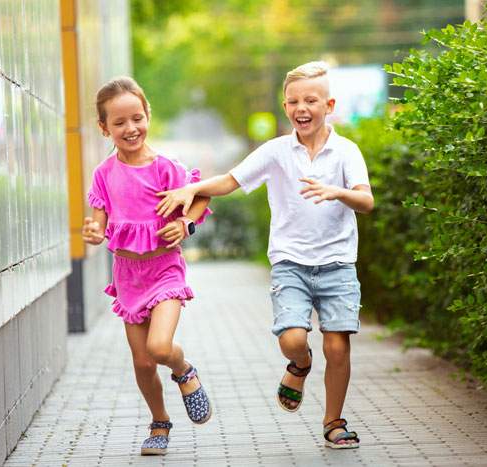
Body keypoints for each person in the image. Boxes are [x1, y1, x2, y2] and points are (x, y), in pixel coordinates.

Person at [156, 61, 373, 449]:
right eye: (293, 101)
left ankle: (333, 421)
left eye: (310, 100)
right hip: (290, 264)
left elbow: (366, 200)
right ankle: (300, 364)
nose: (301, 107)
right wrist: (192, 190)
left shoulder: (346, 151)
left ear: (329, 104)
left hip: (338, 264)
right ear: (285, 106)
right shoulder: (275, 151)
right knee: (292, 338)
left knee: (338, 346)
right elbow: (231, 180)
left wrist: (336, 192)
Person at [82, 77, 213, 456]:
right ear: (105, 128)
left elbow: (201, 195)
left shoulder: (167, 168)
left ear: (147, 117)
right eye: (119, 122)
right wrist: (93, 233)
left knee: (159, 347)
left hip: (164, 270)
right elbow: (99, 222)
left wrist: (184, 222)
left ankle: (184, 370)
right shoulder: (104, 174)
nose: (130, 128)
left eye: (136, 118)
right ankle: (160, 422)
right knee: (142, 363)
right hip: (127, 277)